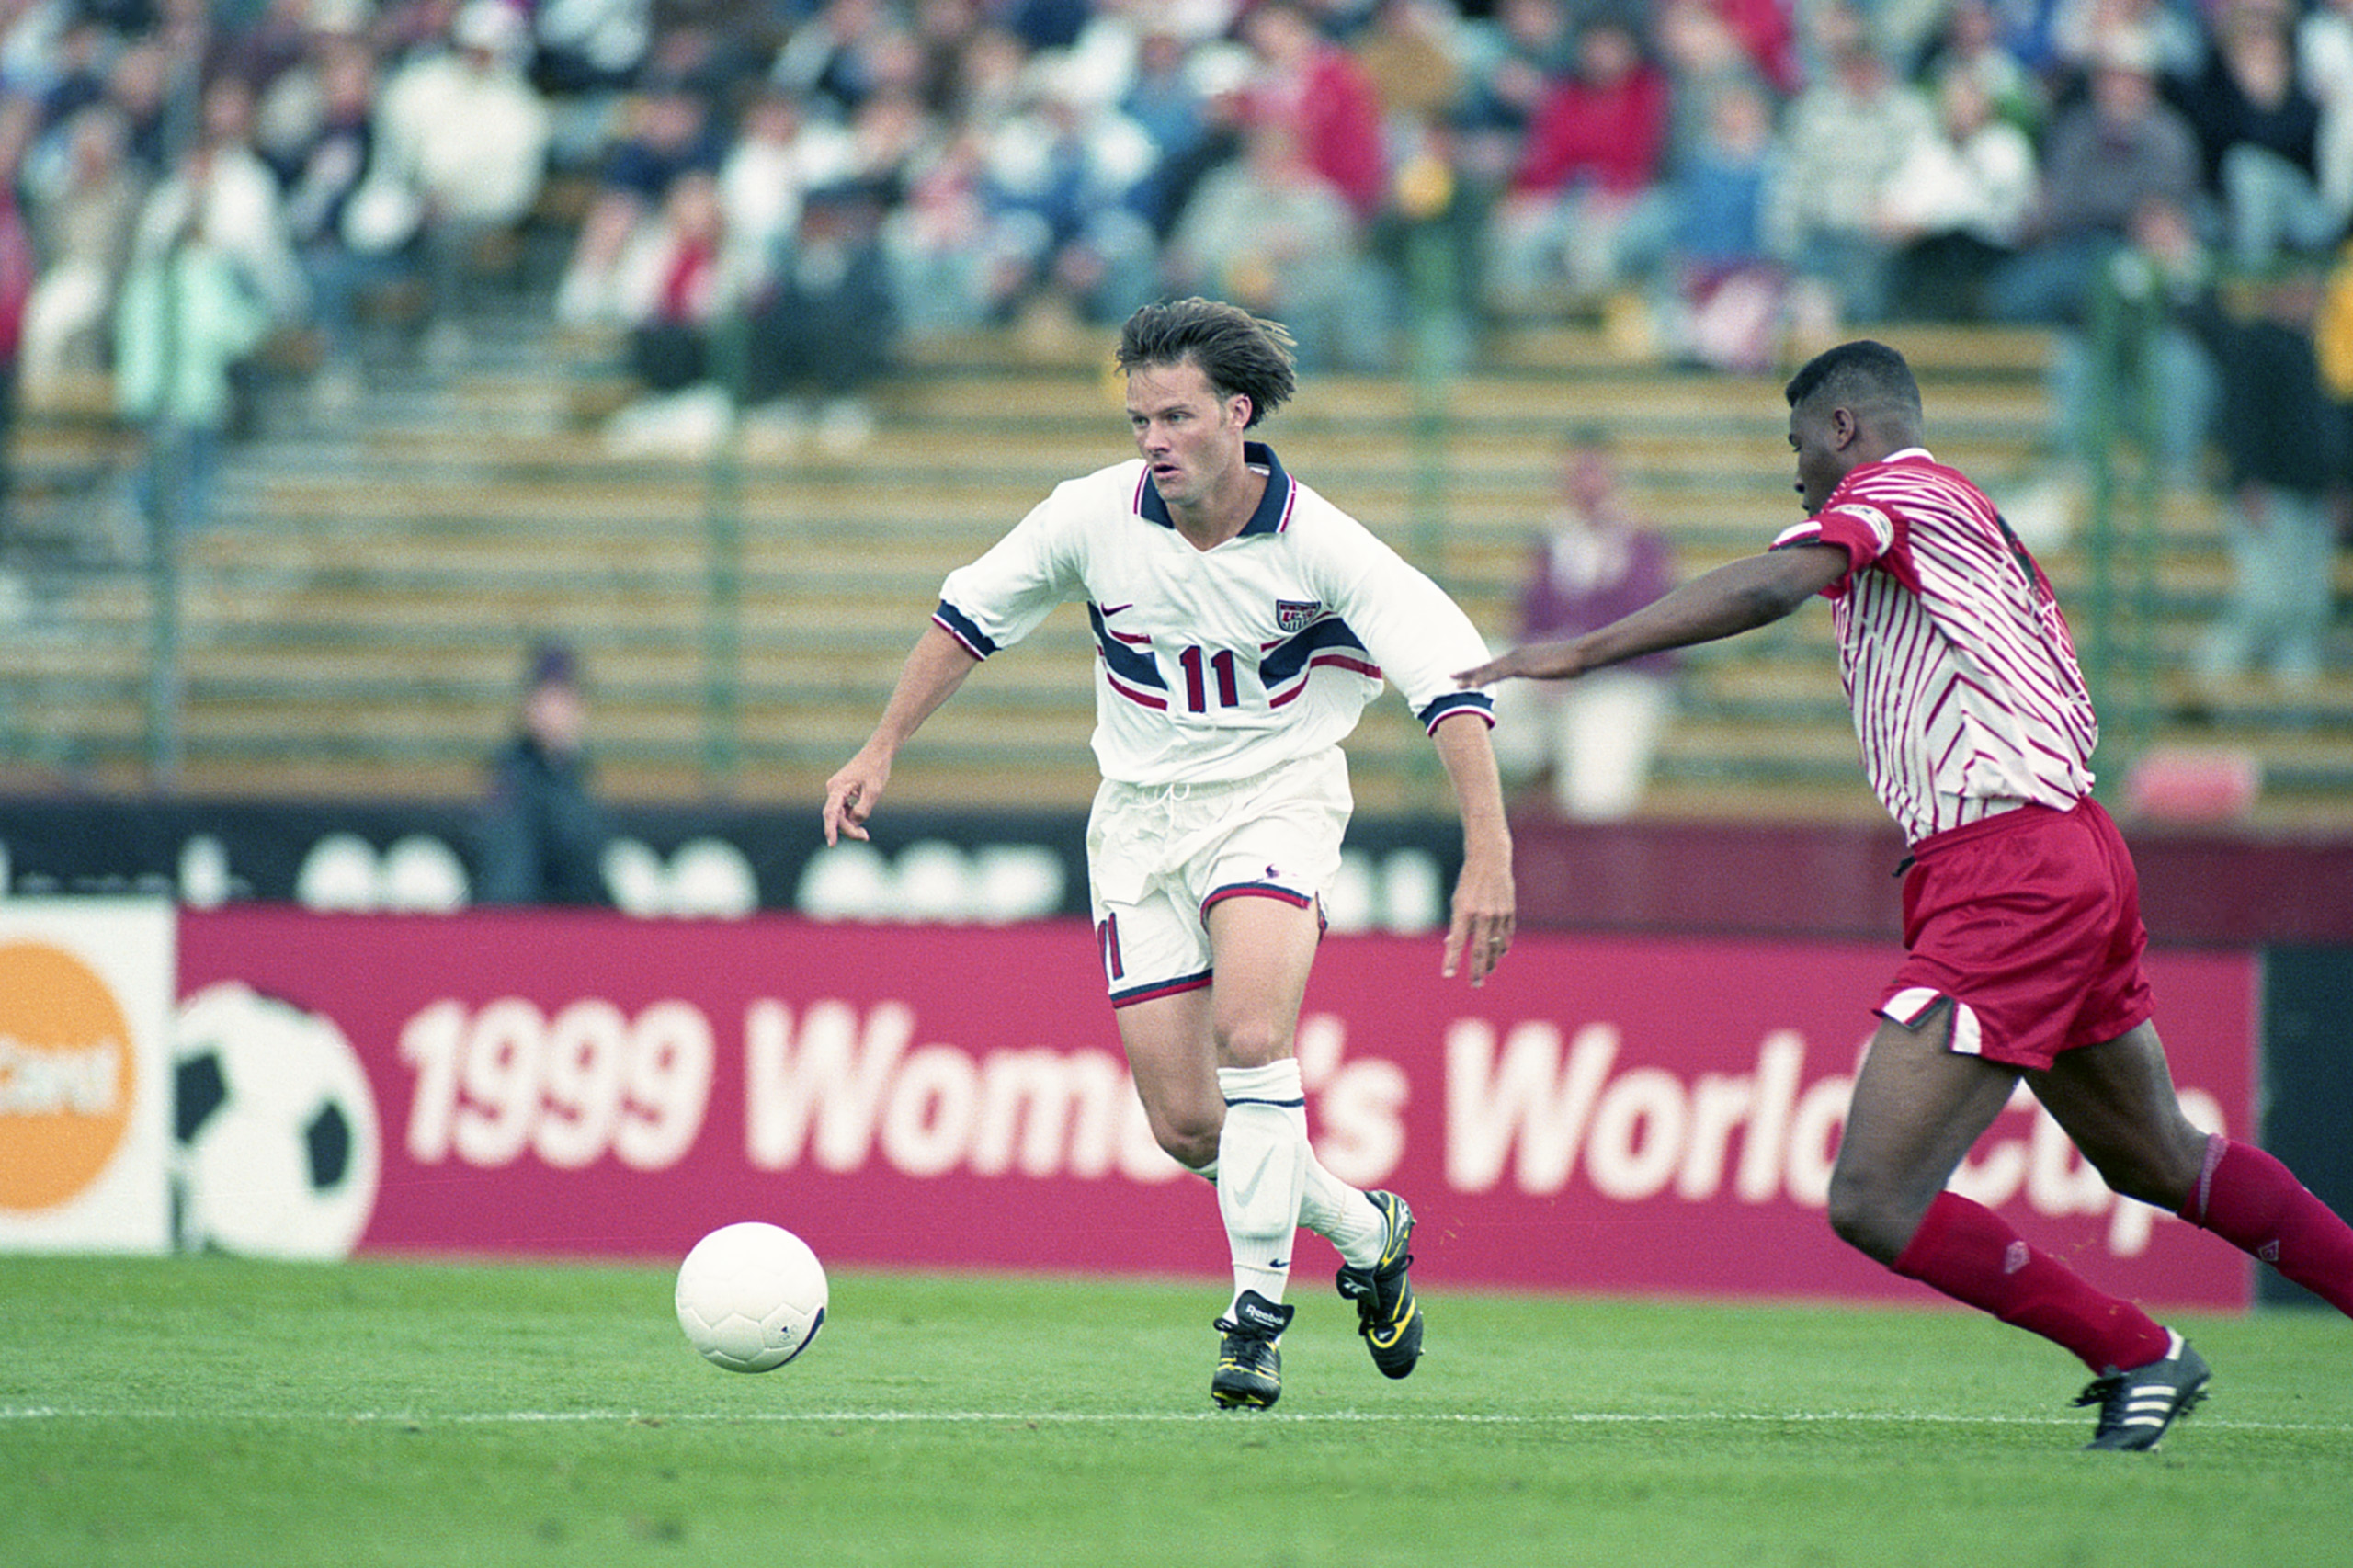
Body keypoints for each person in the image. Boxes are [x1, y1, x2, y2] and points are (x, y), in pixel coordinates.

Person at [1456, 339, 2353, 1451]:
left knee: (1874, 1198)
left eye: (1797, 446)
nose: (1796, 474)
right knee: (2156, 1153)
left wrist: (1584, 650)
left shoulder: (1894, 491)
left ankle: (2135, 1348)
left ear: (1842, 429)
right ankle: (2146, 1349)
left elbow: (1774, 582)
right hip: (2059, 847)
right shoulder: (1963, 508)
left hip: (2009, 869)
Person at [823, 297, 1516, 1410]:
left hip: (1274, 802)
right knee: (1190, 1124)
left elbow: (1451, 682)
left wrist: (1488, 846)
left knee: (1253, 1035)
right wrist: (881, 743)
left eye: (1177, 415)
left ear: (1237, 414)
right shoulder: (1091, 516)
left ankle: (1255, 1318)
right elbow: (967, 617)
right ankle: (1365, 1226)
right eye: (1140, 417)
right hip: (1139, 821)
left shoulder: (1318, 543)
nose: (1153, 438)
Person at [1489, 429, 1678, 820]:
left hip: (1618, 681)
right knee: (1474, 680)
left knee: (1593, 801)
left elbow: (1644, 623)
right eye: (1577, 473)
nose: (1585, 483)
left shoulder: (1640, 544)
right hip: (1554, 679)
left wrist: (1577, 660)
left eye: (1593, 472)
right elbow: (1526, 617)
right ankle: (1533, 761)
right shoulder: (1553, 540)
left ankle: (1553, 771)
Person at [476, 639, 611, 906]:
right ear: (528, 706)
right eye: (545, 698)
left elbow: (589, 872)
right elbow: (507, 881)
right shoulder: (515, 777)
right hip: (533, 931)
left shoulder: (573, 773)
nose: (553, 710)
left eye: (562, 699)